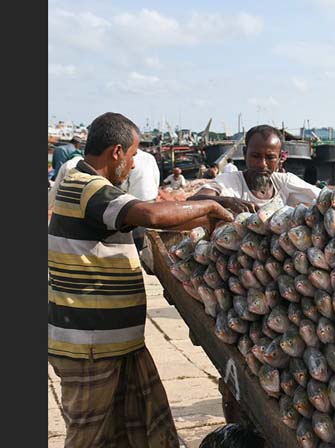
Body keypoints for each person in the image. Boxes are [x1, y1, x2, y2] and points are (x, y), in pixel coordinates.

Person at [48, 112, 234, 448]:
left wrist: (204, 215)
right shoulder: (87, 187)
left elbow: (154, 222)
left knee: (145, 425)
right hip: (89, 345)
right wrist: (209, 205)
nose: (133, 165)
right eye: (133, 155)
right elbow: (150, 214)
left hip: (117, 341)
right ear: (116, 152)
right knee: (89, 438)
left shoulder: (90, 187)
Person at [190, 125, 321, 213]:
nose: (262, 164)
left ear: (280, 158)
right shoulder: (231, 182)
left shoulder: (284, 182)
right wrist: (227, 201)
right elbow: (193, 201)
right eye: (255, 156)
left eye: (270, 158)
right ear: (245, 153)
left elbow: (325, 197)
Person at [122, 149, 161, 251]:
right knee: (150, 229)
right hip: (151, 198)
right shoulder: (149, 157)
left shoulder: (128, 158)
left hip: (135, 200)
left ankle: (139, 250)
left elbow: (123, 183)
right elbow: (156, 177)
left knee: (137, 232)